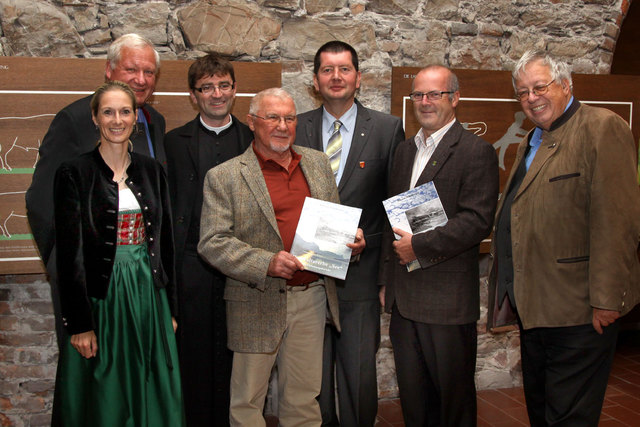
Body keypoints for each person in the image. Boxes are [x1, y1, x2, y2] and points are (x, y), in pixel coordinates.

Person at [487, 49, 640, 426]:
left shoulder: (601, 127)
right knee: (542, 413)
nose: (531, 98)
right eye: (522, 92)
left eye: (540, 87)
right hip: (537, 310)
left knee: (569, 417)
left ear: (566, 84)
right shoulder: (533, 139)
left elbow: (618, 221)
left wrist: (608, 300)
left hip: (581, 311)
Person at [197, 87, 364, 426]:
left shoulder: (317, 164)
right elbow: (212, 242)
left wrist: (351, 243)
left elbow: (332, 223)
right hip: (254, 301)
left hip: (311, 297)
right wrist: (266, 263)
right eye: (272, 117)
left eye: (289, 118)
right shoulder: (225, 175)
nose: (282, 126)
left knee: (304, 398)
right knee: (247, 404)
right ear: (252, 122)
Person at [51, 81, 183, 426]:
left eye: (125, 111)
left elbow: (165, 244)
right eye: (107, 112)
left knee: (152, 381)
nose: (117, 120)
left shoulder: (152, 171)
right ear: (95, 118)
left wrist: (169, 307)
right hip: (102, 298)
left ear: (136, 117)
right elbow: (69, 255)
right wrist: (79, 325)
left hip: (147, 295)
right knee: (106, 388)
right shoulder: (74, 173)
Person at [26, 33, 167, 349]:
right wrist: (63, 264)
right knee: (94, 379)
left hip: (141, 276)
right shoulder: (73, 120)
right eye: (132, 69)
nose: (141, 80)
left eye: (149, 72)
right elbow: (41, 201)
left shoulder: (155, 121)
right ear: (109, 69)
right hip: (89, 279)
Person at [379, 65, 499, 426]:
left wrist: (420, 246)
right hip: (404, 296)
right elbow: (393, 222)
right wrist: (387, 280)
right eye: (418, 95)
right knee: (414, 399)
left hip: (446, 300)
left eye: (435, 94)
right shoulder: (404, 151)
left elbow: (476, 221)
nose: (425, 102)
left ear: (455, 98)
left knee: (452, 399)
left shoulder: (476, 151)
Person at [295, 40, 404, 427]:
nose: (336, 77)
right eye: (327, 69)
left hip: (362, 271)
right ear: (315, 80)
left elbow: (396, 204)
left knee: (359, 372)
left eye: (344, 69)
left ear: (359, 77)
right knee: (312, 373)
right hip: (307, 273)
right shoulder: (296, 126)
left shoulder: (389, 129)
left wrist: (386, 273)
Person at [164, 52, 253, 426]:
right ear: (193, 95)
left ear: (234, 89)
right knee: (195, 355)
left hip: (243, 265)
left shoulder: (254, 139)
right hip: (192, 268)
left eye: (224, 85)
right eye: (207, 87)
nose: (217, 94)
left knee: (242, 359)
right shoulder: (172, 143)